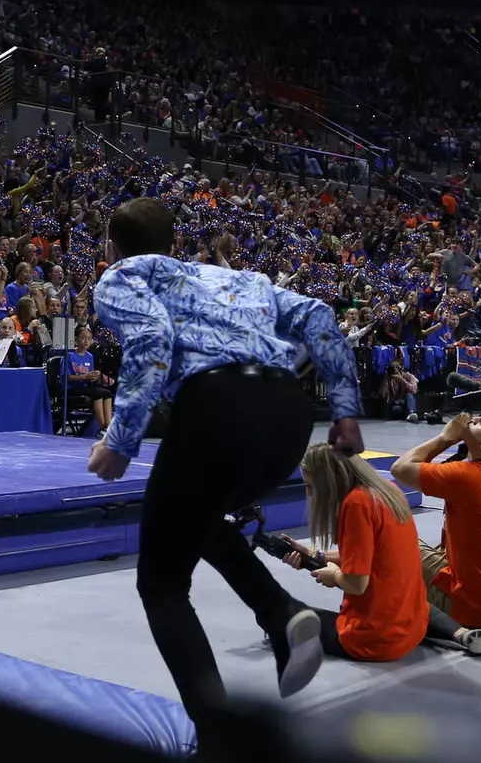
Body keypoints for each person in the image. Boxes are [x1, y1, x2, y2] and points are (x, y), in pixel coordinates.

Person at [83, 197, 365, 747]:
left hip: (218, 407)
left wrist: (121, 438)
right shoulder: (237, 278)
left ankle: (216, 738)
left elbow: (150, 339)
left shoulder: (122, 274)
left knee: (162, 584)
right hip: (288, 415)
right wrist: (346, 410)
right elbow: (319, 318)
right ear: (175, 245)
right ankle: (281, 611)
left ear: (112, 247)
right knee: (193, 513)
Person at [283, 444, 481, 661]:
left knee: (280, 617)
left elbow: (356, 584)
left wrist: (333, 575)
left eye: (310, 485)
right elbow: (366, 554)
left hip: (376, 639)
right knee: (417, 602)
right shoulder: (386, 491)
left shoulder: (354, 505)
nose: (309, 492)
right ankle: (462, 635)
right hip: (412, 623)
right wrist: (318, 556)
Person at [389, 410, 481, 631]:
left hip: (478, 613)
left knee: (390, 540)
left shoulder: (467, 477)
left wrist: (446, 438)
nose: (476, 418)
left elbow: (400, 469)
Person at [62, 324, 116, 431]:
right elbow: (67, 378)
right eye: (82, 338)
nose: (86, 341)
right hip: (72, 388)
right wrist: (84, 377)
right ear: (76, 340)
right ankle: (101, 426)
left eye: (89, 339)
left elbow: (90, 376)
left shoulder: (90, 357)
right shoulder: (68, 356)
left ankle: (108, 425)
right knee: (97, 394)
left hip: (86, 386)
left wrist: (94, 376)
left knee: (107, 393)